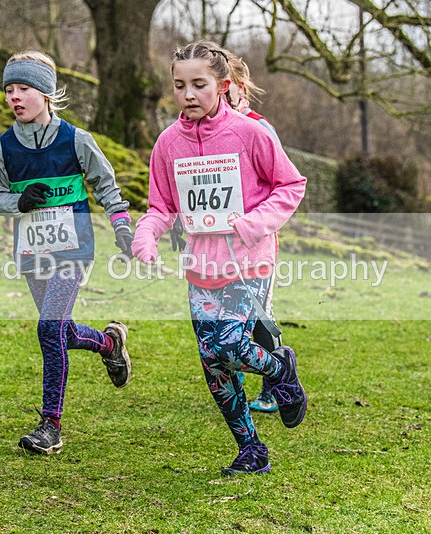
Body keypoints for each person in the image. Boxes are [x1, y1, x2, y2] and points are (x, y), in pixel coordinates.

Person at [132, 41, 307, 475]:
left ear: (223, 85)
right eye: (179, 85)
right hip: (200, 267)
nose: (188, 94)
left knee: (228, 345)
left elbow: (291, 185)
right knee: (213, 364)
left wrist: (249, 224)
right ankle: (251, 450)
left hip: (250, 261)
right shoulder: (168, 143)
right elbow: (161, 207)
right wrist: (146, 235)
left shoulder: (250, 133)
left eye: (199, 84)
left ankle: (280, 365)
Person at [0, 50, 134, 455]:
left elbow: (106, 185)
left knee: (49, 329)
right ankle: (108, 344)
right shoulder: (4, 147)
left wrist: (121, 225)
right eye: (9, 90)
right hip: (32, 251)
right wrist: (19, 203)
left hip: (73, 249)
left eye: (24, 89)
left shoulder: (76, 140)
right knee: (60, 331)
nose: (15, 97)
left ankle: (50, 425)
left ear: (46, 94)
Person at [225, 52, 283, 414]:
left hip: (255, 243)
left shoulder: (259, 128)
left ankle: (276, 385)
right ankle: (234, 376)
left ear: (239, 88)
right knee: (223, 315)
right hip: (214, 246)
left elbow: (283, 186)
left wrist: (254, 223)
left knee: (260, 313)